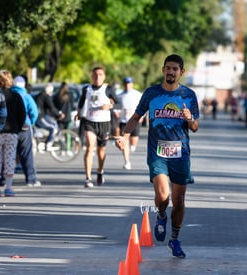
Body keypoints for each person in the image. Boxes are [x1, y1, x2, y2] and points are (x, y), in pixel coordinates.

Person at [115, 54, 199, 258]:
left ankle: (175, 239)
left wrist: (189, 119)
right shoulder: (151, 93)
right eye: (168, 68)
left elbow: (195, 127)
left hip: (181, 153)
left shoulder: (188, 95)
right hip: (157, 152)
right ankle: (161, 215)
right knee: (163, 196)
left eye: (175, 69)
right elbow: (136, 117)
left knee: (179, 201)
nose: (171, 72)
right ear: (163, 70)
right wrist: (125, 136)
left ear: (182, 72)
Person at [75, 66, 118, 188]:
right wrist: (79, 112)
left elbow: (118, 102)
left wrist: (109, 106)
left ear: (104, 77)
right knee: (89, 147)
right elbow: (81, 102)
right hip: (90, 122)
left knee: (101, 151)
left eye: (100, 74)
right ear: (91, 76)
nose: (97, 77)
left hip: (104, 123)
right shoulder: (86, 89)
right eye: (95, 74)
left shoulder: (108, 89)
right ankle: (88, 178)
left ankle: (100, 170)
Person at [0, 70, 26, 204]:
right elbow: (22, 114)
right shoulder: (16, 96)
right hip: (12, 132)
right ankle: (8, 187)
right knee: (10, 159)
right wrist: (18, 127)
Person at [12, 76, 41, 187]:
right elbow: (34, 112)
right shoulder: (26, 96)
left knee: (8, 154)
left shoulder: (9, 95)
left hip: (11, 128)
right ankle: (30, 179)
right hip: (25, 127)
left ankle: (3, 180)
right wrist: (31, 123)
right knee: (27, 154)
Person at [117, 76, 142, 170]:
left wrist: (142, 116)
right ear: (124, 85)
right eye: (126, 84)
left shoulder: (137, 94)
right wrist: (116, 112)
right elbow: (116, 106)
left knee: (134, 140)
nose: (127, 85)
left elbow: (143, 106)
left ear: (132, 84)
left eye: (129, 83)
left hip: (134, 120)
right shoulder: (119, 95)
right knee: (124, 141)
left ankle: (133, 145)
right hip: (123, 121)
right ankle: (127, 161)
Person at [34, 83, 64, 151]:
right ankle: (48, 144)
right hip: (39, 117)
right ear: (49, 91)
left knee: (51, 124)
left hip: (39, 116)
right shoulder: (45, 96)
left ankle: (45, 140)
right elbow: (51, 107)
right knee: (53, 128)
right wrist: (59, 115)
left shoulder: (39, 95)